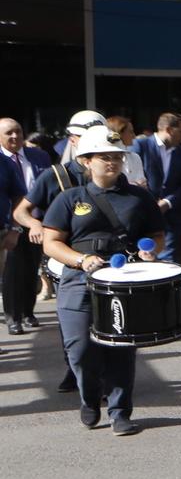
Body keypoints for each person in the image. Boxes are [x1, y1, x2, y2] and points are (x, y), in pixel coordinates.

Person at [40, 123, 167, 436]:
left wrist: (150, 252)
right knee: (80, 350)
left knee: (121, 348)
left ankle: (120, 411)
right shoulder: (70, 198)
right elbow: (51, 242)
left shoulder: (139, 197)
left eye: (117, 156)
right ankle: (89, 397)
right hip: (78, 279)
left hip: (124, 280)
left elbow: (157, 236)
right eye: (103, 156)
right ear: (86, 161)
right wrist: (81, 259)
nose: (112, 161)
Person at [16, 112, 105, 392]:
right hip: (65, 259)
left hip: (105, 259)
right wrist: (35, 225)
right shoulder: (55, 175)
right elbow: (21, 210)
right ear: (73, 140)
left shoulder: (114, 173)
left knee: (107, 321)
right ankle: (75, 368)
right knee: (75, 325)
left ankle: (103, 378)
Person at [2, 117, 52, 334]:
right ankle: (13, 317)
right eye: (9, 133)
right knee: (13, 271)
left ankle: (28, 312)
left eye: (18, 131)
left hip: (38, 222)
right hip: (10, 223)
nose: (15, 136)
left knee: (32, 268)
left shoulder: (39, 156)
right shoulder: (2, 161)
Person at [132, 112, 181, 263]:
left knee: (168, 260)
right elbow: (133, 176)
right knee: (144, 257)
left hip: (171, 217)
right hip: (144, 214)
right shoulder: (141, 146)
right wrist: (149, 202)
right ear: (168, 129)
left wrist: (167, 202)